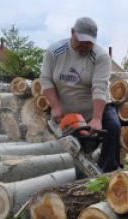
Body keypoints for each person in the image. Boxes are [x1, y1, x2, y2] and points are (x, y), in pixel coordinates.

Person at [40, 17, 121, 177]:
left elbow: (100, 87)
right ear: (72, 33)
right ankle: (82, 185)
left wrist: (97, 118)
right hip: (70, 112)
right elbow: (46, 79)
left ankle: (109, 173)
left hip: (97, 107)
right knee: (79, 149)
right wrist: (55, 106)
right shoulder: (55, 52)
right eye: (81, 41)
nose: (84, 45)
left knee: (113, 127)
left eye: (89, 42)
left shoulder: (100, 57)